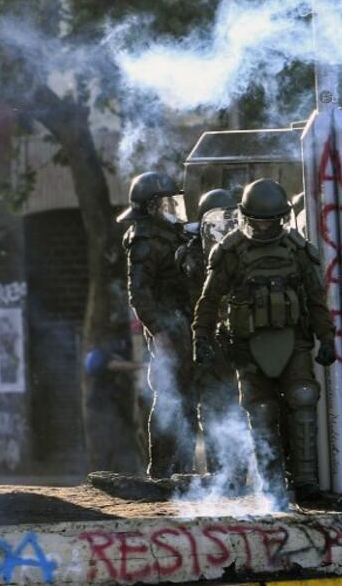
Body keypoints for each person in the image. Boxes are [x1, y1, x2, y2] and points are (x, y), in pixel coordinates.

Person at [191, 178, 334, 504]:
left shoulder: (298, 250)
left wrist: (326, 337)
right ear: (245, 216)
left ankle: (306, 481)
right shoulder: (230, 251)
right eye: (258, 221)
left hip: (293, 338)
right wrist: (201, 336)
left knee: (303, 396)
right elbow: (209, 299)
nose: (265, 227)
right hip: (247, 343)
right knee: (261, 410)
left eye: (272, 221)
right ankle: (272, 485)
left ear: (283, 217)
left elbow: (316, 299)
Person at [119, 171, 196, 478]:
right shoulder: (144, 240)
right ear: (151, 207)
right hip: (167, 327)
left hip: (183, 322)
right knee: (168, 397)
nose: (171, 209)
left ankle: (184, 468)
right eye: (165, 203)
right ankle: (161, 471)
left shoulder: (171, 234)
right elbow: (138, 292)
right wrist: (157, 330)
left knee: (188, 397)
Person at [176, 188, 244, 482]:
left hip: (240, 336)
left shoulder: (243, 247)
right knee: (216, 408)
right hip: (209, 337)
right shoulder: (192, 253)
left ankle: (240, 474)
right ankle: (221, 475)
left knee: (244, 408)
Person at [83, 347, 145, 473]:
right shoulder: (102, 357)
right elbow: (114, 365)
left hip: (109, 408)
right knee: (105, 448)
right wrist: (144, 366)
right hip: (102, 409)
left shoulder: (102, 359)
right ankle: (101, 476)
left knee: (116, 447)